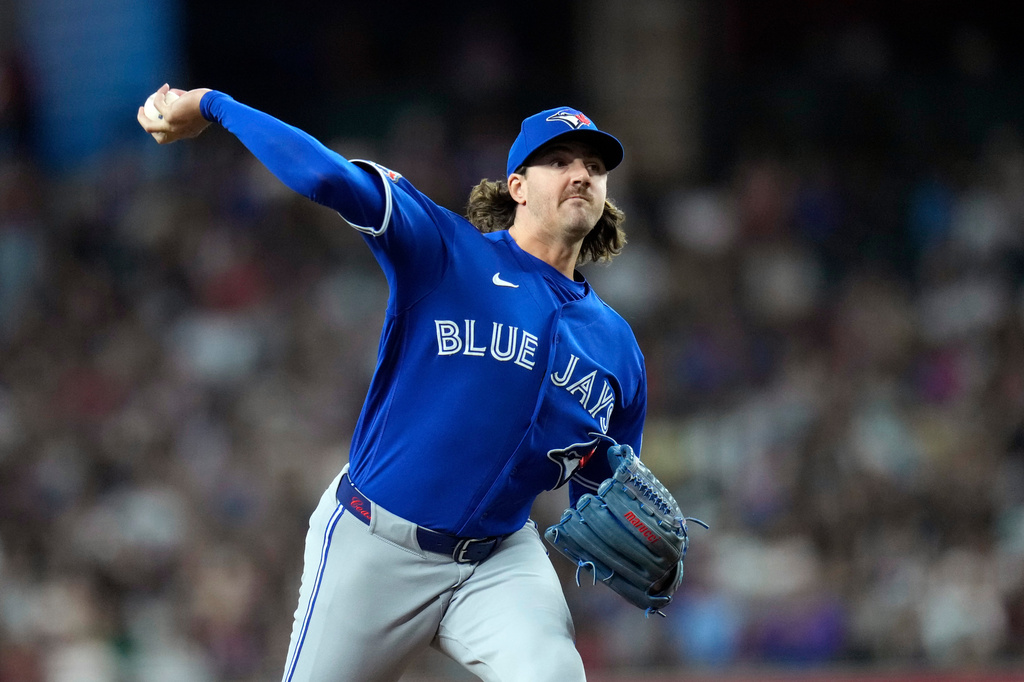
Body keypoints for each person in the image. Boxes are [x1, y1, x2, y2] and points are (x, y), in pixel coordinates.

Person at [138, 84, 647, 682]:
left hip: (499, 561)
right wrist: (211, 103)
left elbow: (602, 490)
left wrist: (630, 541)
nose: (581, 174)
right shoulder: (444, 249)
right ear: (517, 188)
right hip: (374, 546)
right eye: (559, 161)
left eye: (594, 166)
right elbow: (325, 178)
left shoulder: (616, 348)